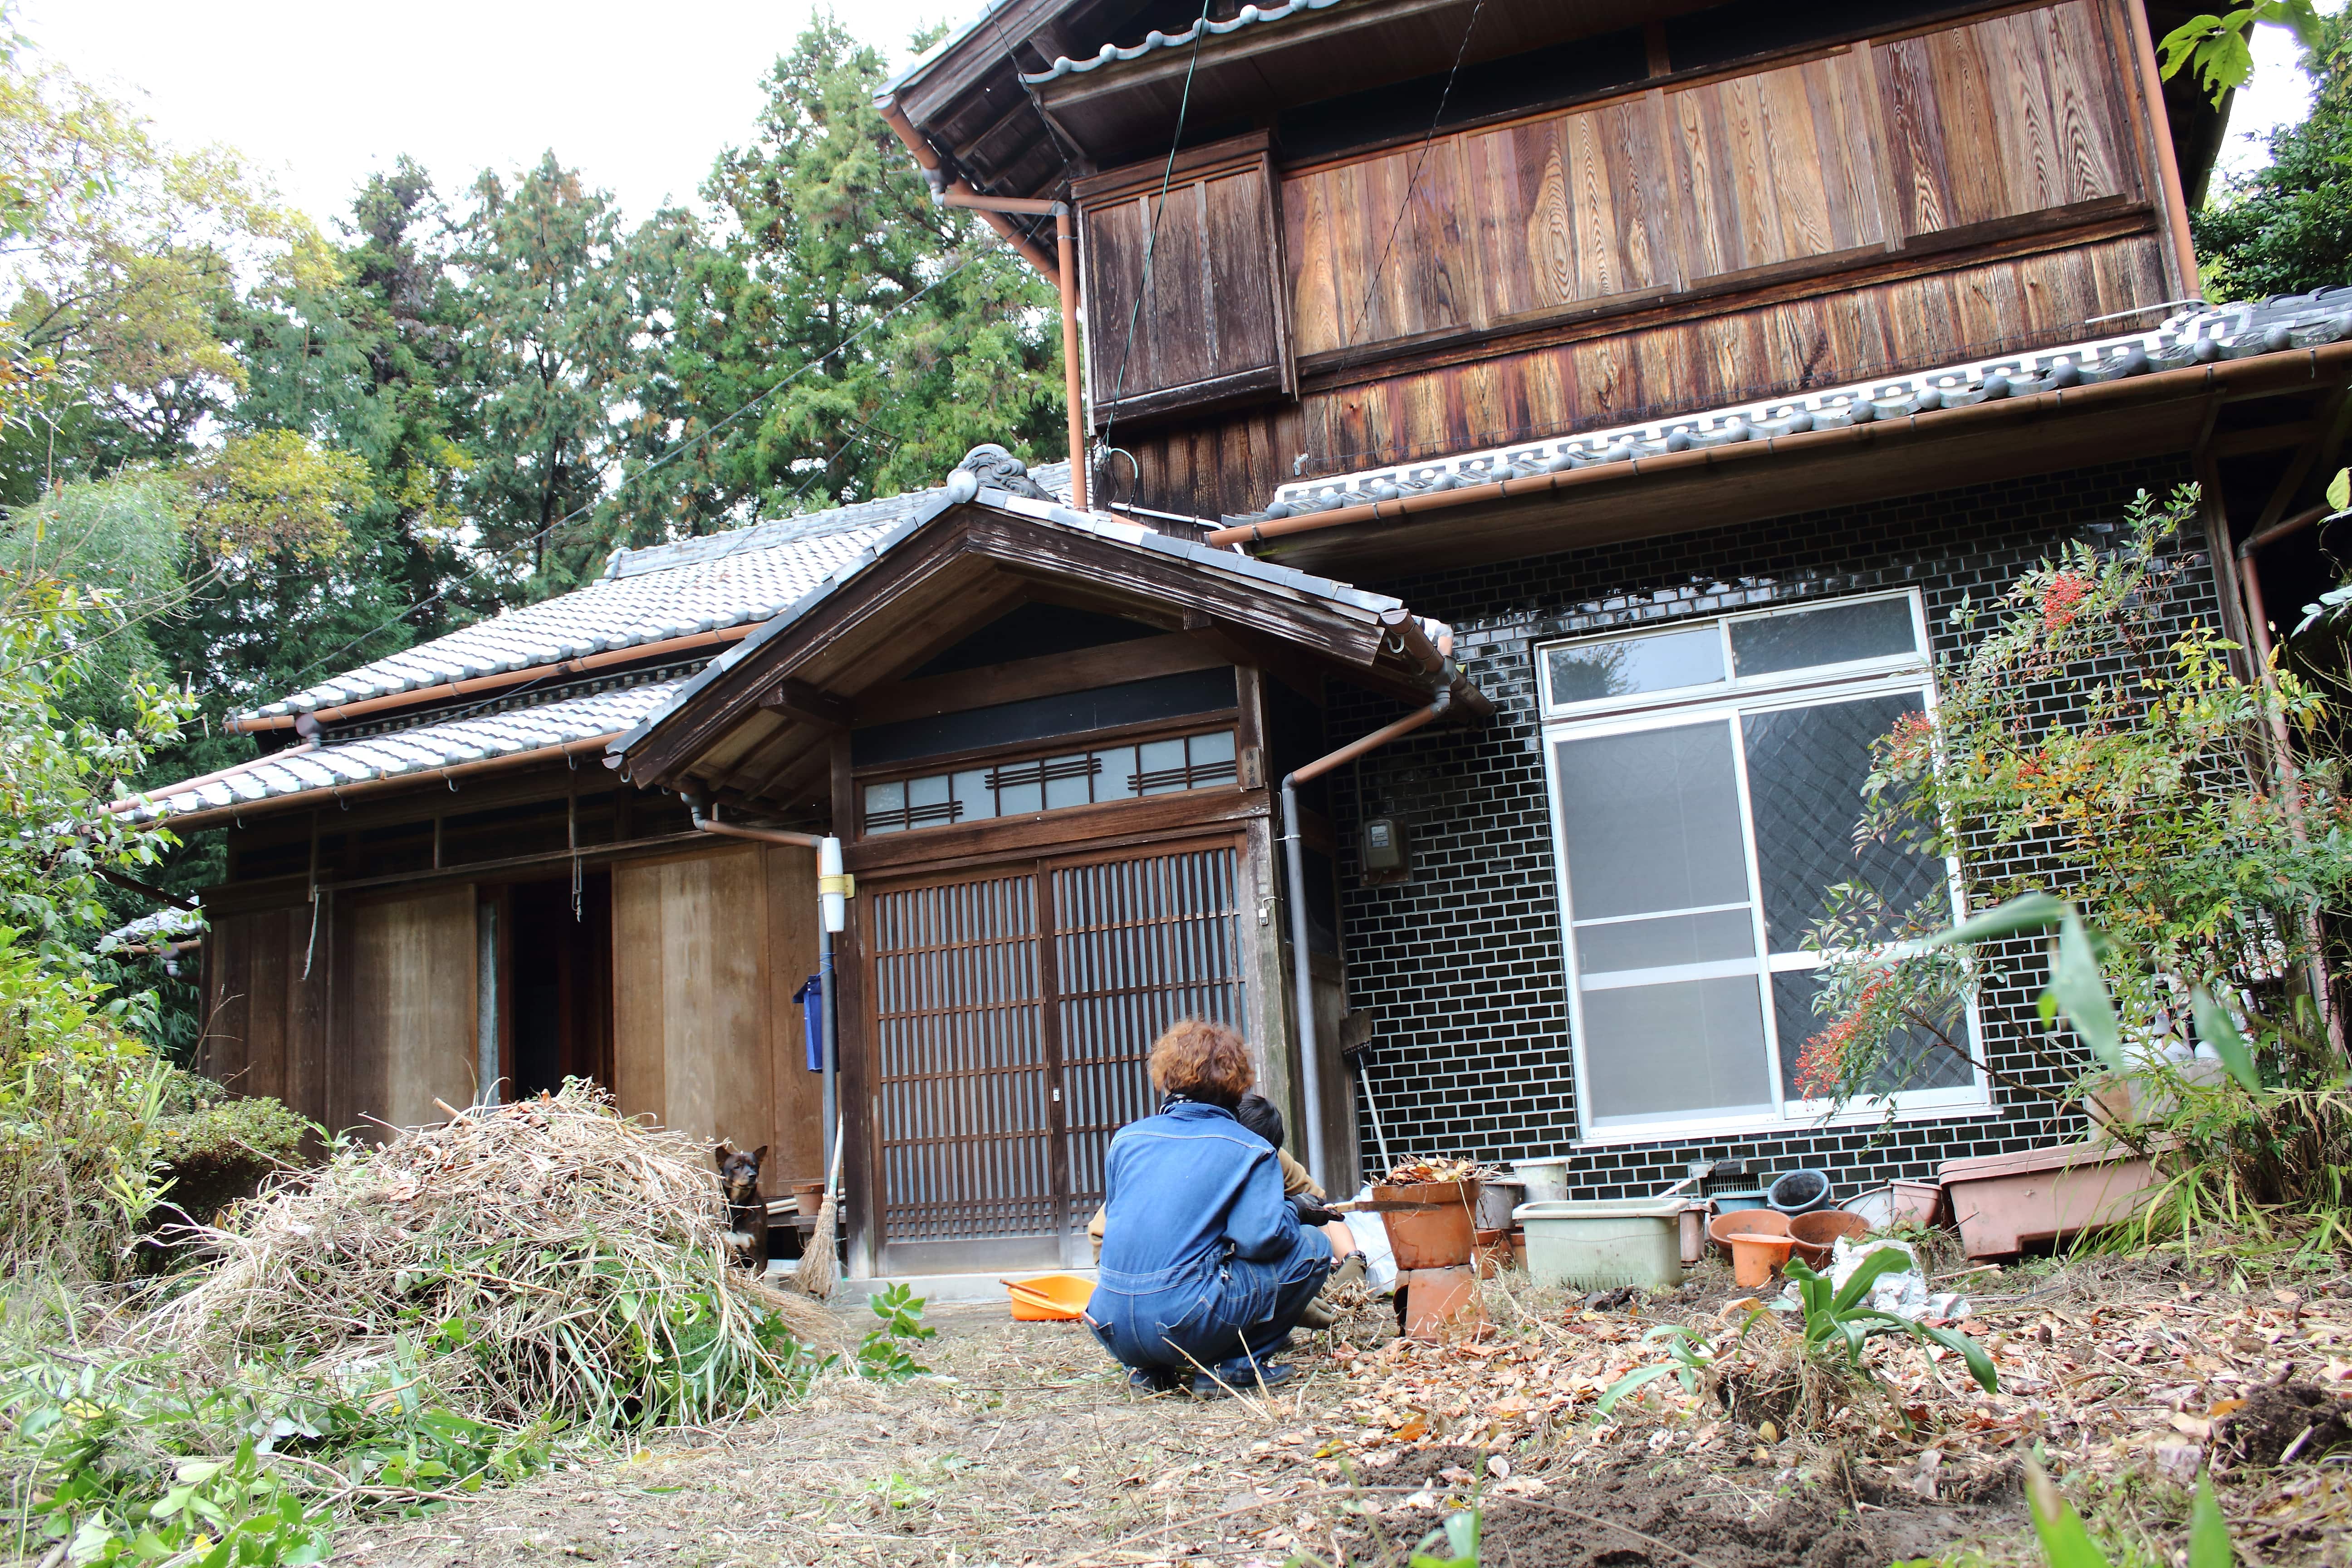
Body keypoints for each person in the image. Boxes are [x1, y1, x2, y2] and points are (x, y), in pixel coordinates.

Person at [1087, 1019, 1356, 1397]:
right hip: (1184, 1321)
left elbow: (1115, 1230)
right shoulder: (1249, 1149)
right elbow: (1261, 1241)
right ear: (1237, 1083)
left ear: (1167, 1075)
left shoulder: (1127, 1141)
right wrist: (1295, 1210)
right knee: (1312, 1246)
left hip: (1109, 1325)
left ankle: (1148, 1372)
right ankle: (1236, 1368)